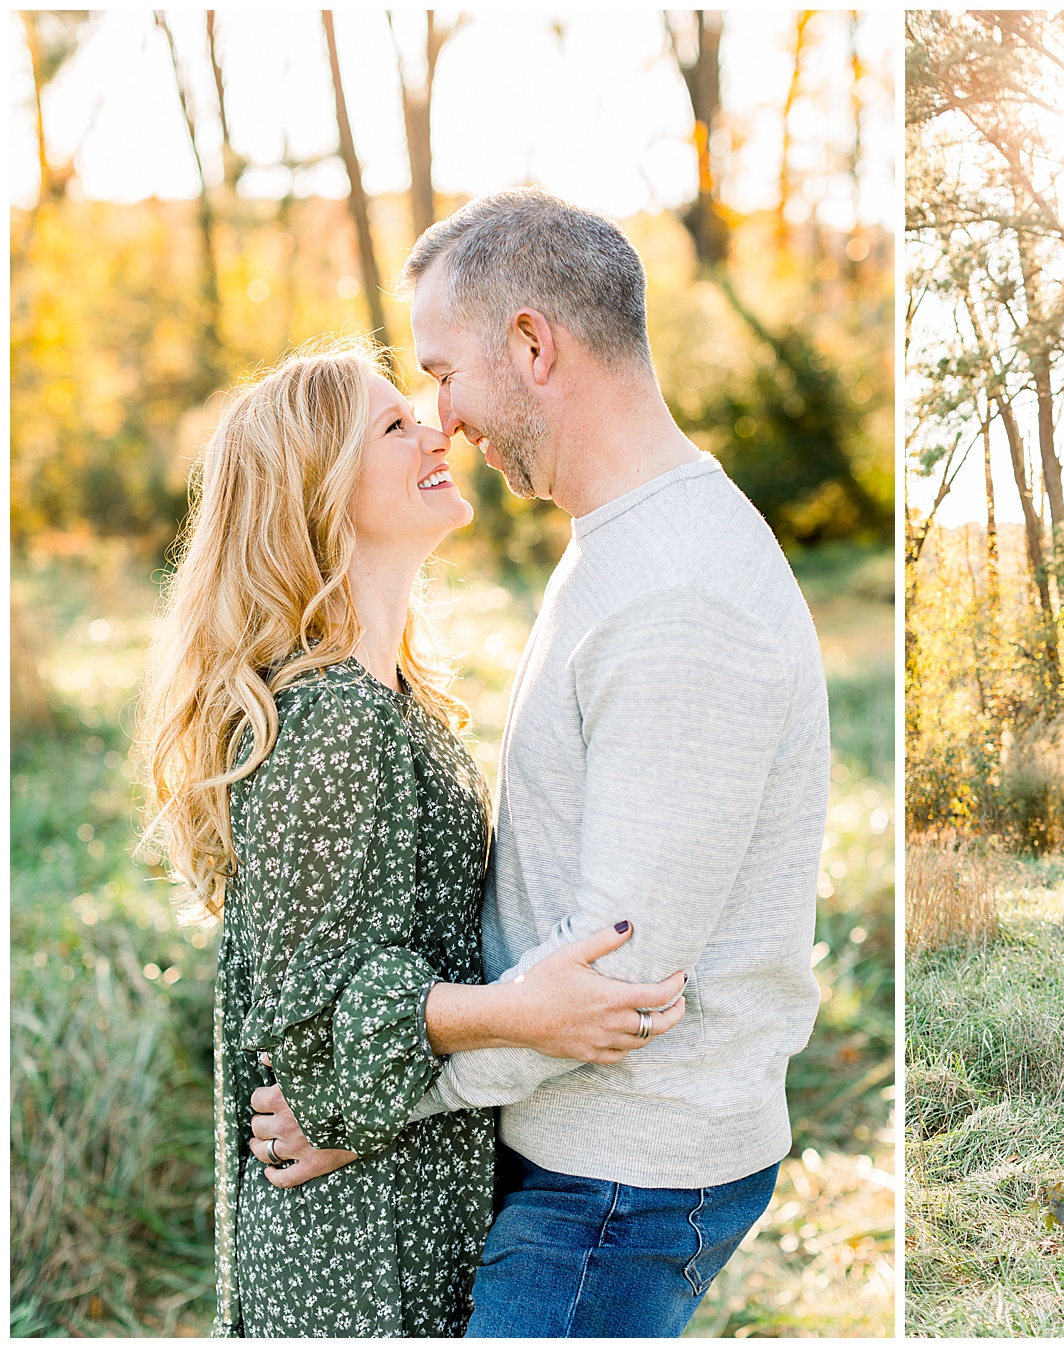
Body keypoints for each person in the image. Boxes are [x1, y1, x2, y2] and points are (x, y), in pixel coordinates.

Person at [252, 189, 833, 1337]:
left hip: (616, 1182)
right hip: (583, 1155)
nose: (443, 418)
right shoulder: (624, 540)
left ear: (531, 343)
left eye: (445, 372)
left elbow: (618, 981)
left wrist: (371, 1100)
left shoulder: (679, 598)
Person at [136, 340, 688, 1336]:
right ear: (318, 494)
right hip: (354, 1253)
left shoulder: (396, 702)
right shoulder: (332, 719)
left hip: (407, 1192)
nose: (437, 427)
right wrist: (524, 1014)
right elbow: (308, 1033)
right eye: (394, 425)